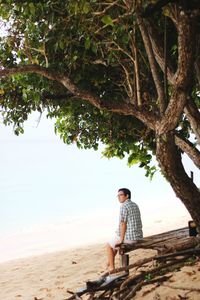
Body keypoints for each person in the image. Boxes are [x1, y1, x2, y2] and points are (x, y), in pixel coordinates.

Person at [106, 188, 143, 272]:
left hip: (131, 239)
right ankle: (109, 262)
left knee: (108, 245)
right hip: (138, 236)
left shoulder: (124, 206)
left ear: (127, 196)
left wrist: (121, 240)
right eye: (118, 195)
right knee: (114, 244)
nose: (119, 197)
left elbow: (123, 224)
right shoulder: (135, 204)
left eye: (121, 195)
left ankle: (112, 268)